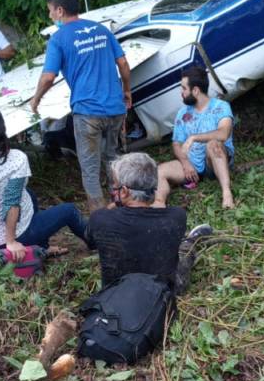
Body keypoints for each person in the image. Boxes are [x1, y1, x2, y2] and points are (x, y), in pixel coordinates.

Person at [30, 0, 132, 210]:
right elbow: (123, 63)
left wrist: (36, 99)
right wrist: (126, 90)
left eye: (50, 11)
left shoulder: (58, 39)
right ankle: (123, 208)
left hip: (87, 113)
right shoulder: (102, 30)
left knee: (90, 169)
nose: (50, 15)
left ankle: (100, 221)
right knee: (113, 159)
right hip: (115, 108)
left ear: (59, 10)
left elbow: (48, 77)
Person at [0, 107, 87, 262]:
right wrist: (11, 242)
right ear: (3, 130)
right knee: (69, 211)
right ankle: (97, 242)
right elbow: (11, 204)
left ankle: (42, 249)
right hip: (8, 239)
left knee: (29, 194)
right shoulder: (16, 159)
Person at [85, 153, 187, 290]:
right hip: (161, 295)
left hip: (115, 296)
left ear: (124, 191)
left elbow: (91, 242)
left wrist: (114, 204)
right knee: (185, 251)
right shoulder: (176, 216)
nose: (113, 188)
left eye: (115, 184)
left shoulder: (100, 220)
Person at [155, 65, 235, 209]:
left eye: (184, 88)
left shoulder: (221, 107)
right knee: (159, 171)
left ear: (196, 90)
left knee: (213, 144)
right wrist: (186, 163)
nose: (181, 92)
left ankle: (227, 193)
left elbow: (223, 134)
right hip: (192, 166)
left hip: (215, 161)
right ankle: (159, 204)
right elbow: (176, 144)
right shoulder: (182, 113)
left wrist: (194, 137)